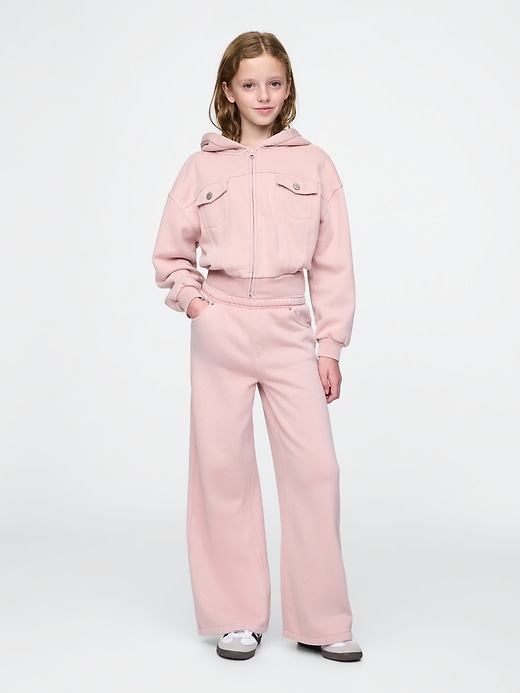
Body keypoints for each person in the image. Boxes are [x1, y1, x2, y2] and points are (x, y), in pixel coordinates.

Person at [152, 31, 362, 662]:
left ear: (287, 87)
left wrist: (330, 344)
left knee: (315, 470)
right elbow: (170, 254)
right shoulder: (200, 168)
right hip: (221, 326)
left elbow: (333, 263)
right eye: (249, 84)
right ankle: (235, 615)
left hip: (289, 323)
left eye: (273, 82)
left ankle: (321, 619)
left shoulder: (315, 164)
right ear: (228, 91)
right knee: (222, 470)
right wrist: (197, 306)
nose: (262, 95)